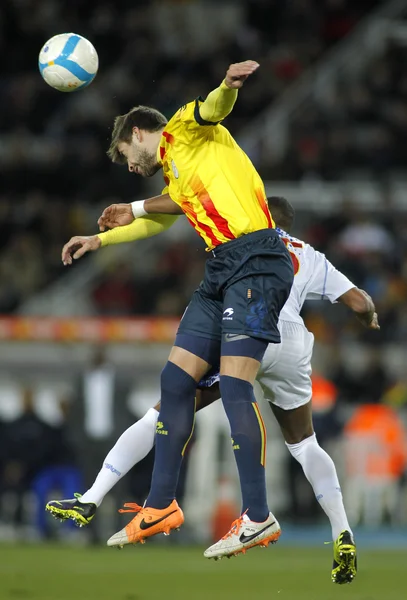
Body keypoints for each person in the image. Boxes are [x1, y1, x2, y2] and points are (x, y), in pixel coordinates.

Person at [50, 196, 379, 582]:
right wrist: (370, 315)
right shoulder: (309, 254)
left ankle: (94, 496)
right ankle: (342, 531)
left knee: (167, 409)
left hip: (252, 327)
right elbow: (359, 302)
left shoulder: (245, 237)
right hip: (292, 343)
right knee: (305, 443)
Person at [61, 60, 295, 559]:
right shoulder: (176, 171)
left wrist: (228, 86)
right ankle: (161, 503)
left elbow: (214, 109)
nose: (128, 166)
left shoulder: (185, 129)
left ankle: (258, 516)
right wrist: (101, 239)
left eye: (126, 155)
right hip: (220, 269)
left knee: (233, 385)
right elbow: (160, 218)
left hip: (256, 259)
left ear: (140, 133)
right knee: (174, 383)